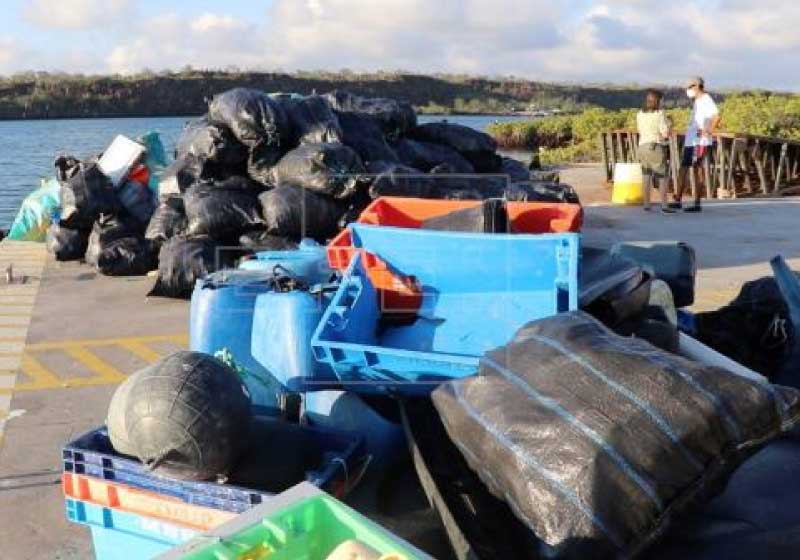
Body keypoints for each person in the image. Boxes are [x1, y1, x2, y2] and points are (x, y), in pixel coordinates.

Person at [672, 76, 720, 212]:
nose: (688, 90)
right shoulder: (697, 101)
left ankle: (697, 202)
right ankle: (678, 200)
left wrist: (709, 131)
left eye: (690, 87)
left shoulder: (706, 99)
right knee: (684, 168)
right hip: (691, 139)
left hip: (699, 141)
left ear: (697, 86)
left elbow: (717, 116)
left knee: (697, 169)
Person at [636, 89, 672, 213]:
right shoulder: (659, 114)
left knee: (646, 175)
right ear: (658, 101)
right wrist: (669, 124)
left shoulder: (640, 113)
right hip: (655, 146)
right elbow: (665, 133)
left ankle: (646, 204)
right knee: (663, 176)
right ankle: (664, 206)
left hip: (642, 146)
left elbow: (640, 130)